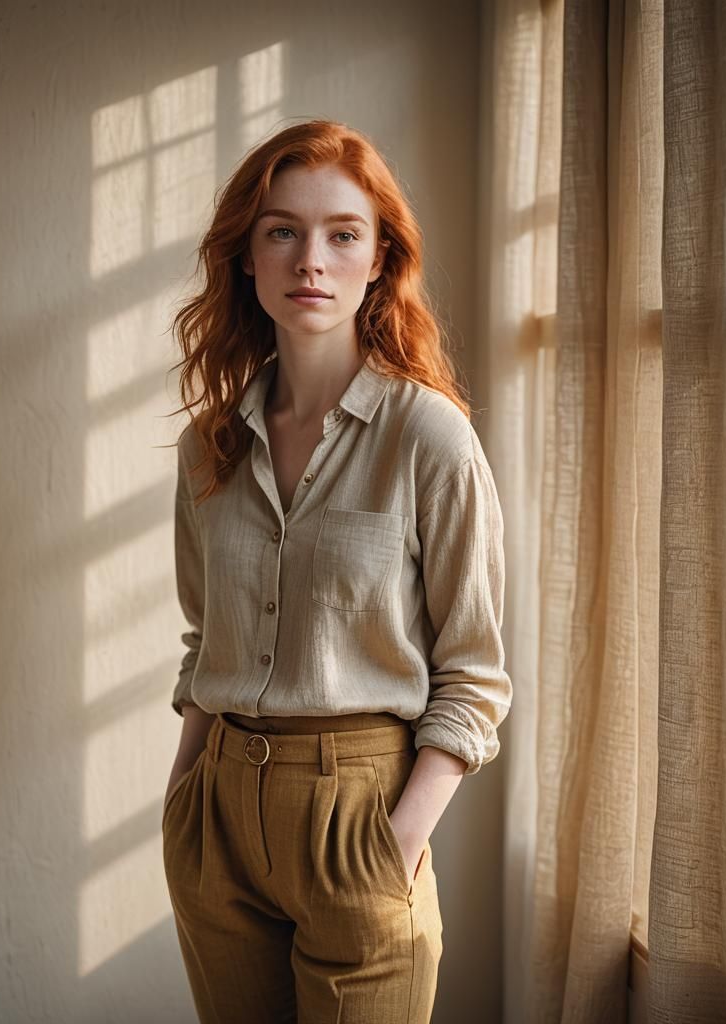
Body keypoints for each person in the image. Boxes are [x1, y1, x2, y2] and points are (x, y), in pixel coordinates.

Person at [159, 119, 512, 1024]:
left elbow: (474, 675)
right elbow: (205, 642)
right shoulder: (211, 446)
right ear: (247, 256)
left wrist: (397, 845)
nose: (310, 259)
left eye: (342, 234)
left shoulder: (430, 438)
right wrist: (182, 806)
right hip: (217, 815)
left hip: (362, 815)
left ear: (379, 257)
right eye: (282, 230)